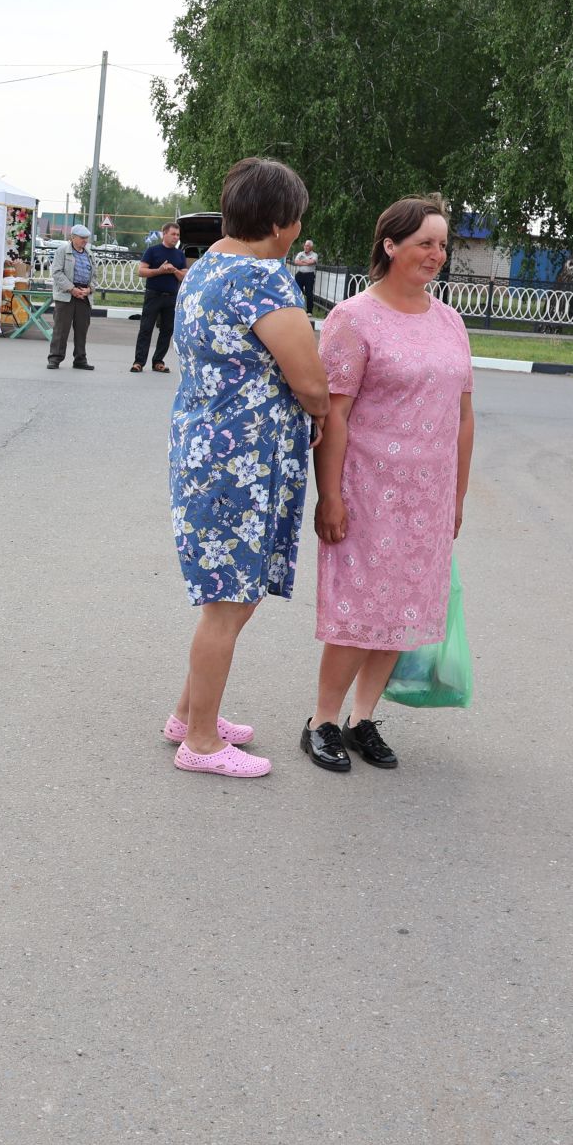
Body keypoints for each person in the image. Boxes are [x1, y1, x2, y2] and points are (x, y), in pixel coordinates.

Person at [165, 157, 330, 778]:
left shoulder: (207, 267)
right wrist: (318, 412)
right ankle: (201, 742)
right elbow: (310, 379)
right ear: (281, 222)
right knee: (229, 601)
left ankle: (189, 713)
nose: (295, 234)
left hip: (208, 448)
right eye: (296, 222)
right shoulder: (264, 279)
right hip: (243, 461)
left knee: (232, 595)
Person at [304, 196, 475, 773]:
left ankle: (362, 719)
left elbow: (463, 413)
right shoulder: (352, 319)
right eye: (425, 242)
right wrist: (330, 494)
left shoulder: (449, 319)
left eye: (442, 244)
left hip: (427, 497)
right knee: (360, 612)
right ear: (390, 246)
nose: (437, 254)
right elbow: (334, 414)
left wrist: (457, 495)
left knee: (401, 613)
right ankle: (322, 721)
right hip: (367, 491)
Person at [132, 220, 187, 373]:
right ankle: (139, 361)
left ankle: (158, 361)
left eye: (178, 235)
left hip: (171, 297)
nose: (176, 237)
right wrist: (160, 270)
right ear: (164, 234)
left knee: (167, 330)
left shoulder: (179, 254)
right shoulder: (152, 251)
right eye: (173, 234)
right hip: (153, 295)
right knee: (146, 328)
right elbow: (141, 271)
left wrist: (174, 270)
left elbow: (183, 276)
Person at [46, 224, 97, 369]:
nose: (85, 241)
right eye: (82, 238)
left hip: (84, 295)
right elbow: (56, 272)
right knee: (61, 329)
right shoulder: (62, 251)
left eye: (86, 238)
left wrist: (89, 289)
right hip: (66, 295)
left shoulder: (89, 253)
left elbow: (95, 276)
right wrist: (71, 289)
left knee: (82, 329)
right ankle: (55, 358)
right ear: (73, 237)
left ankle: (80, 359)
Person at [291, 239, 319, 305]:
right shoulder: (300, 253)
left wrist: (302, 260)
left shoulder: (315, 255)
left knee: (309, 292)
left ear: (311, 247)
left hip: (309, 275)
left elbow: (312, 262)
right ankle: (298, 307)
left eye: (308, 246)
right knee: (297, 291)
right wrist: (307, 262)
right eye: (305, 246)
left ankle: (309, 311)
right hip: (300, 274)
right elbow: (296, 261)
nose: (306, 247)